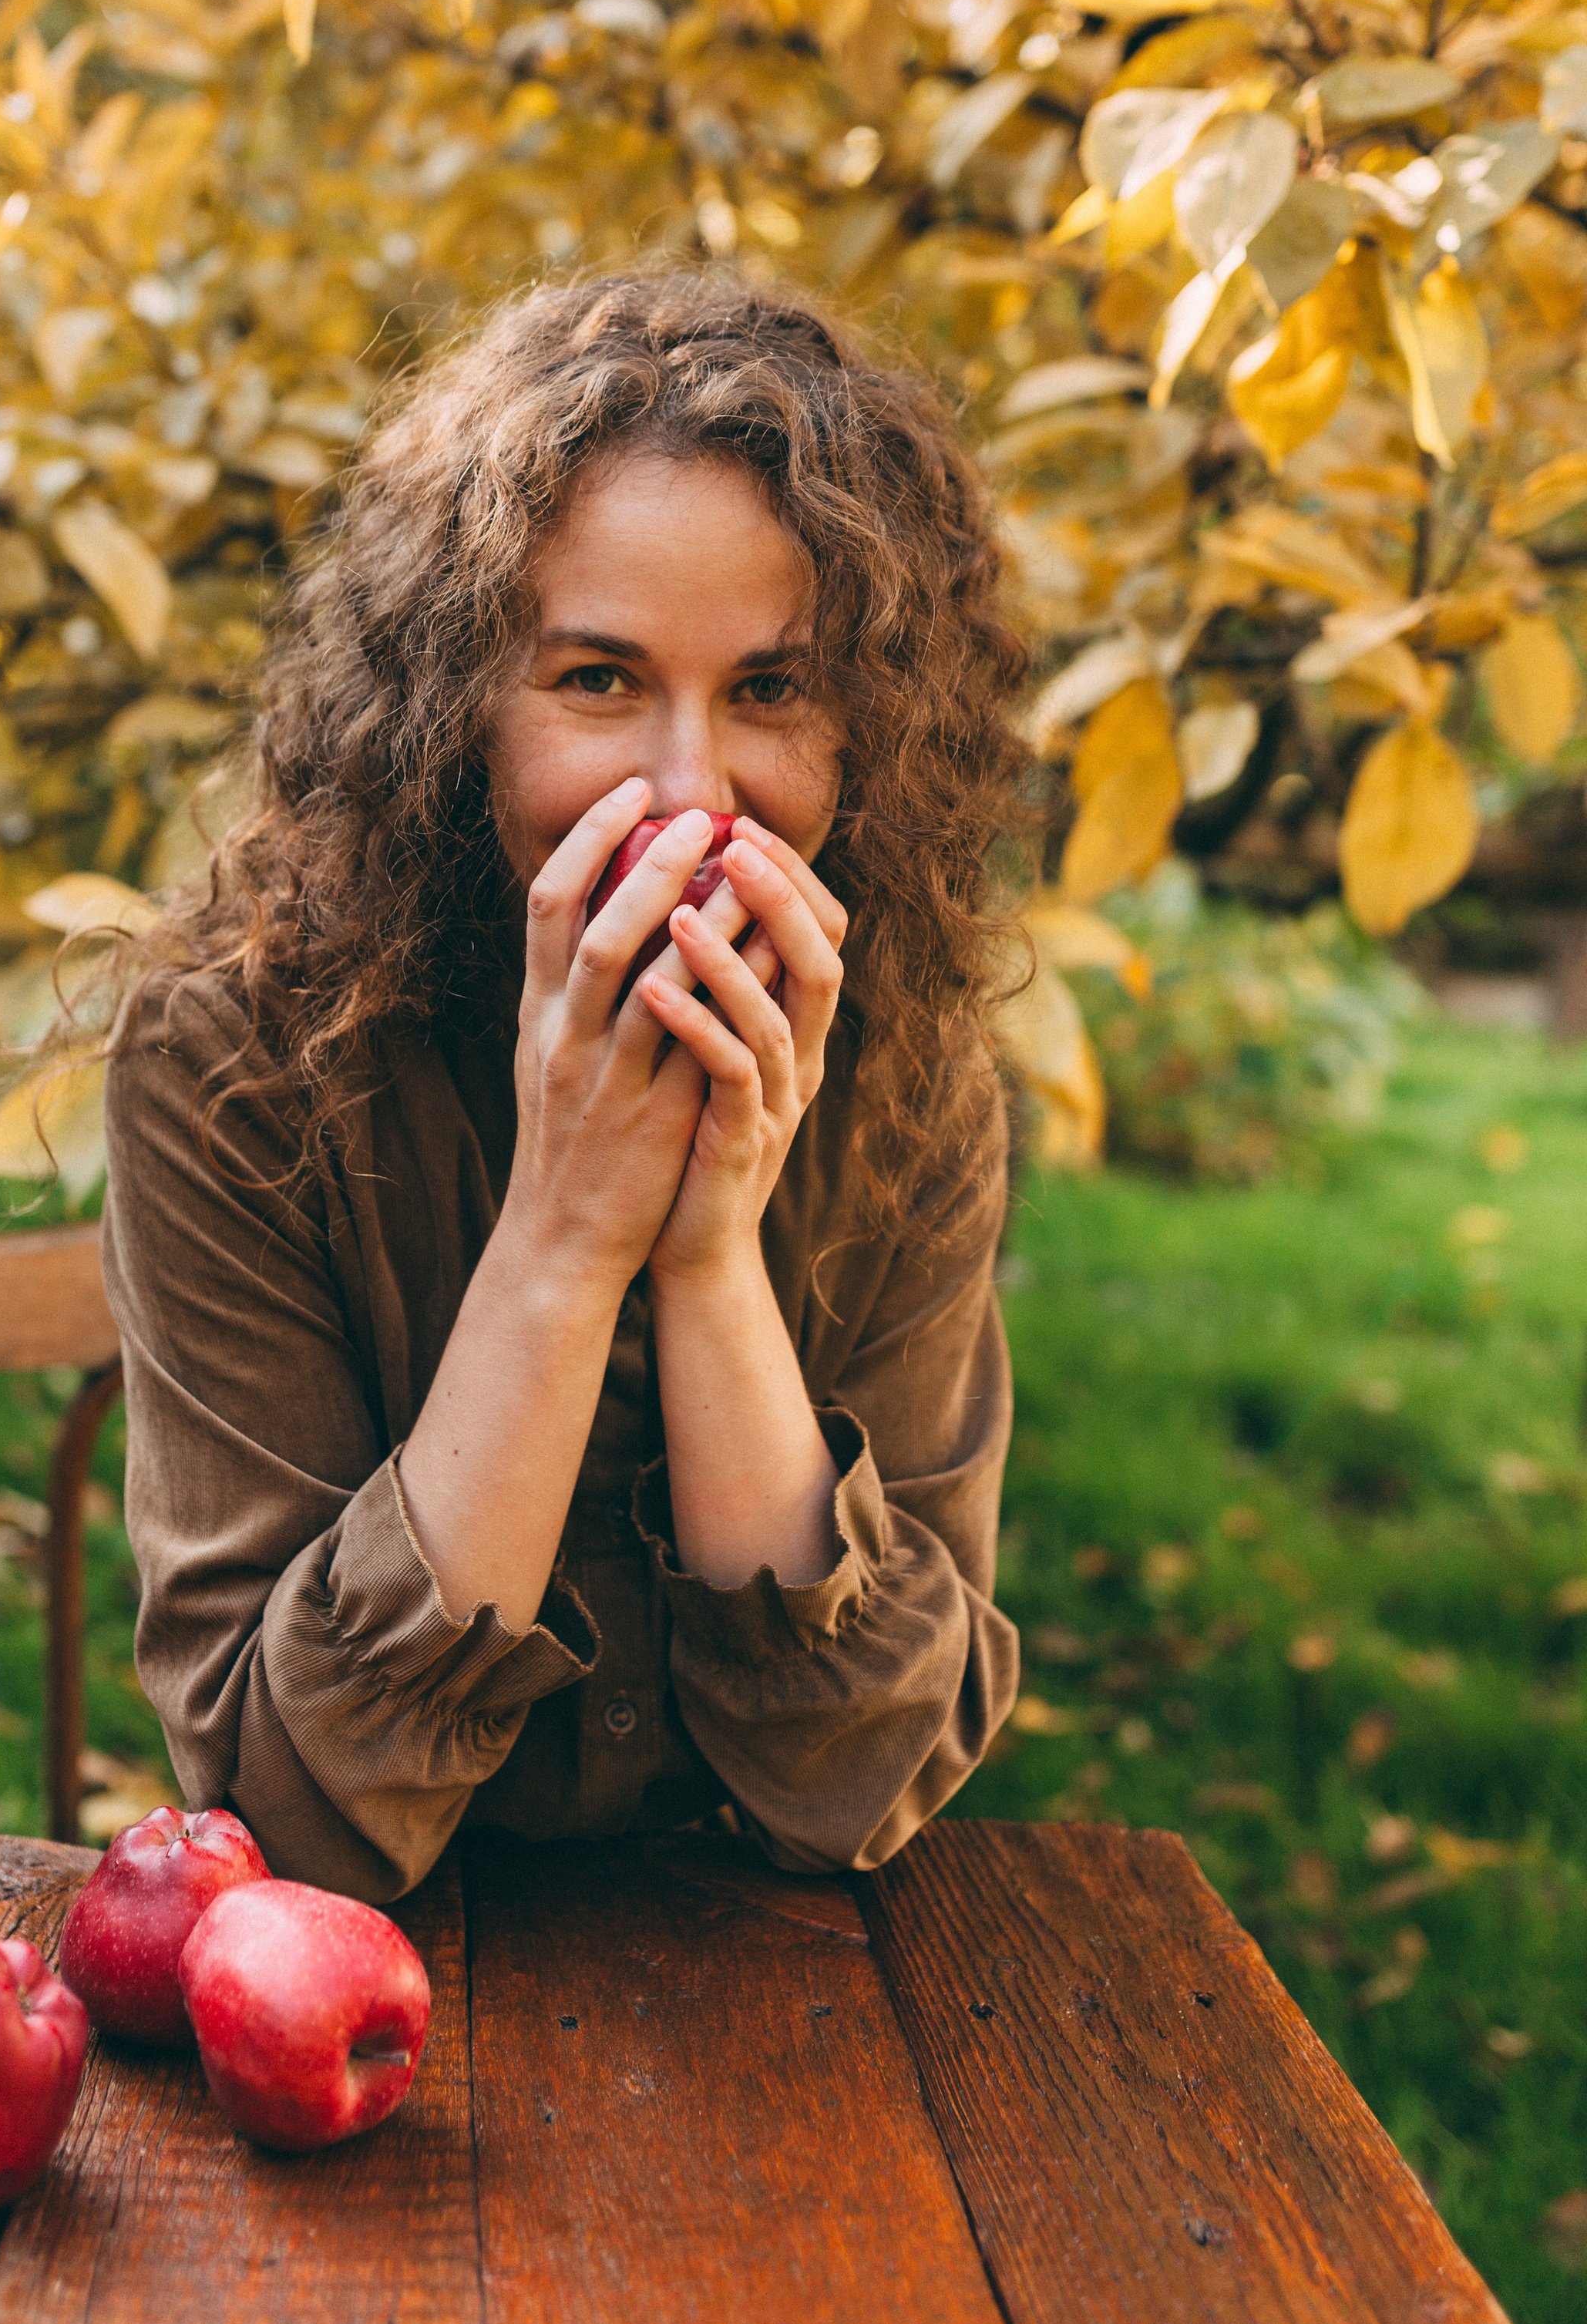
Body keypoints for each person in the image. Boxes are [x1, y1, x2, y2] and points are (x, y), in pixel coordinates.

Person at [100, 270, 1025, 1903]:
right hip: (376, 1997)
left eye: (768, 689)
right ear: (455, 706)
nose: (688, 794)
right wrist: (562, 1239)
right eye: (596, 680)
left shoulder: (909, 1071)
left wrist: (705, 1256)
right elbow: (288, 1826)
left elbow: (865, 1783)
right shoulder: (231, 1060)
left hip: (785, 2006)